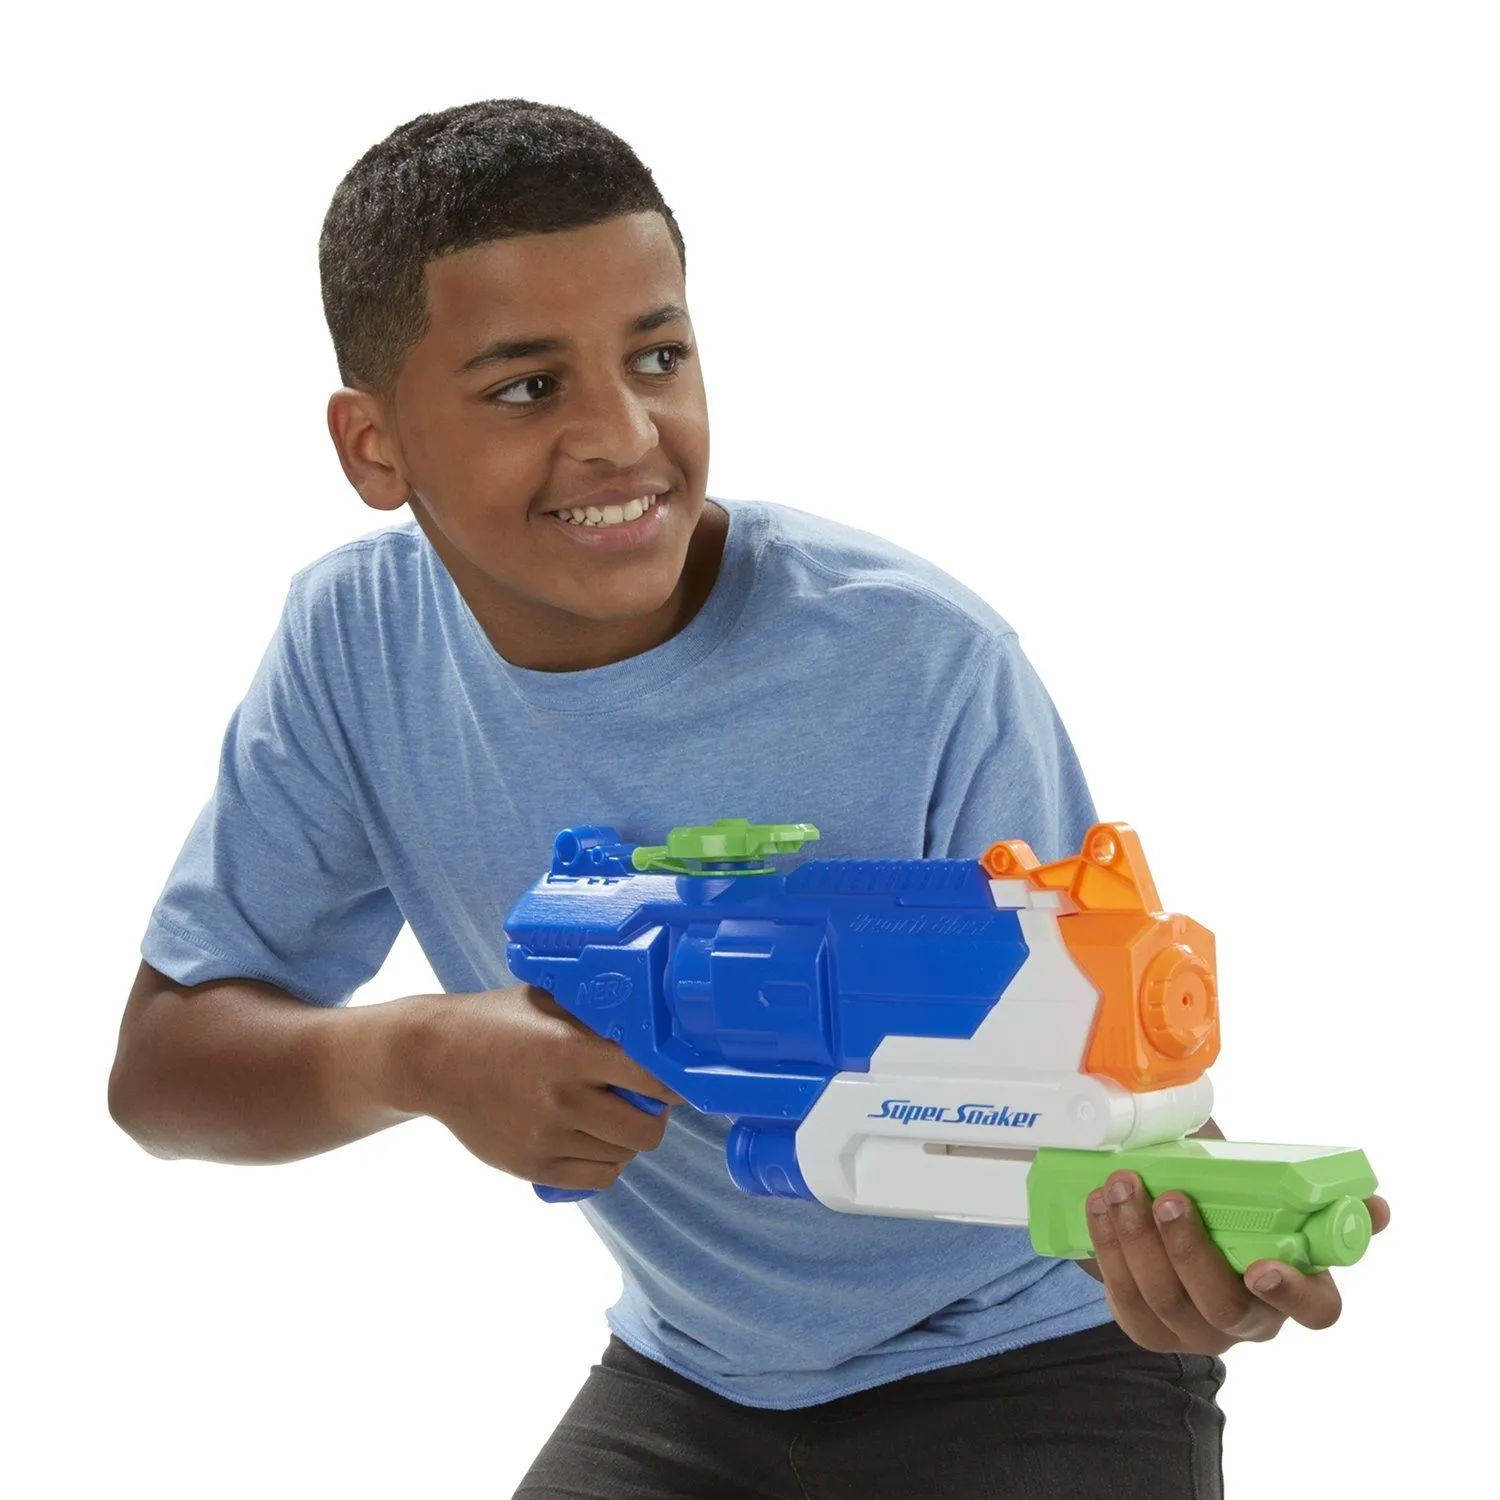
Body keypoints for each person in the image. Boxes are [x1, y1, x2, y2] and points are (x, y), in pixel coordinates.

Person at [108, 99, 1387, 1500]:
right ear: (374, 449)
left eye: (657, 355)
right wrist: (414, 1057)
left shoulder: (920, 660)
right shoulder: (355, 646)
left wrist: (1191, 1251)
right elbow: (161, 1075)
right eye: (527, 387)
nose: (622, 435)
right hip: (693, 1374)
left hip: (1035, 1355)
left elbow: (1115, 1076)